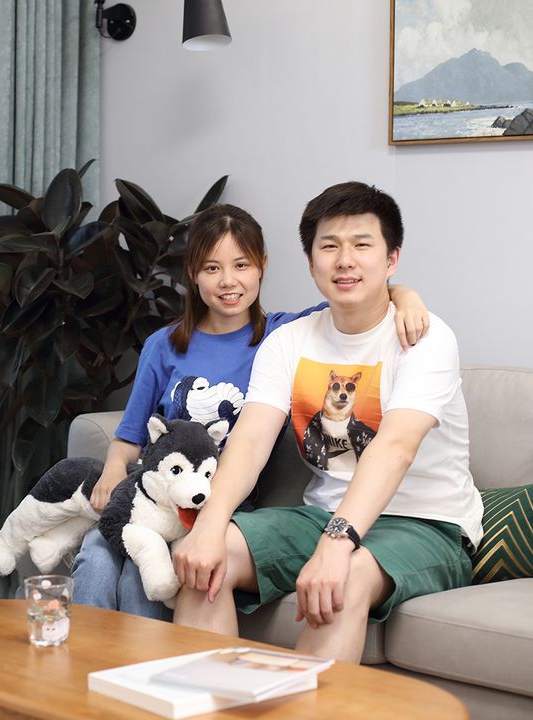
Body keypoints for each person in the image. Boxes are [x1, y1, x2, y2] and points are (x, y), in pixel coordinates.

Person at [71, 203, 431, 620]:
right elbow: (130, 434)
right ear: (193, 273)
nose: (229, 281)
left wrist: (406, 296)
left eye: (241, 265)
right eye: (212, 268)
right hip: (153, 492)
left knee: (142, 572)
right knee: (97, 553)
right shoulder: (163, 345)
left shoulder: (283, 335)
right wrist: (114, 470)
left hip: (218, 504)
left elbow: (357, 296)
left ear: (262, 266)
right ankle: (85, 657)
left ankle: (145, 660)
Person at [171, 182, 484, 662]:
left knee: (345, 578)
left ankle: (304, 700)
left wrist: (337, 545)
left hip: (426, 523)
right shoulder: (288, 341)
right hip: (319, 516)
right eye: (330, 246)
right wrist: (209, 525)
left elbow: (395, 447)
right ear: (311, 262)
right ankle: (207, 699)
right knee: (207, 559)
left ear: (392, 260)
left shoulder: (425, 337)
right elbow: (251, 439)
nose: (345, 260)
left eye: (362, 244)